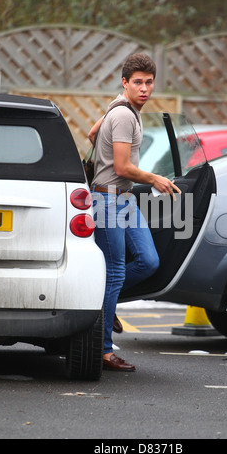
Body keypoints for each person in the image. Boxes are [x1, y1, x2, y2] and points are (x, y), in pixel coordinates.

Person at [88, 53, 181, 372]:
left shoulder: (120, 107)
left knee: (148, 260)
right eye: (137, 82)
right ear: (125, 82)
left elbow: (91, 134)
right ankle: (102, 349)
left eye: (149, 82)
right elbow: (123, 166)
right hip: (108, 200)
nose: (144, 88)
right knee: (114, 271)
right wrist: (155, 178)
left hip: (123, 199)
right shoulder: (124, 115)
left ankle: (105, 303)